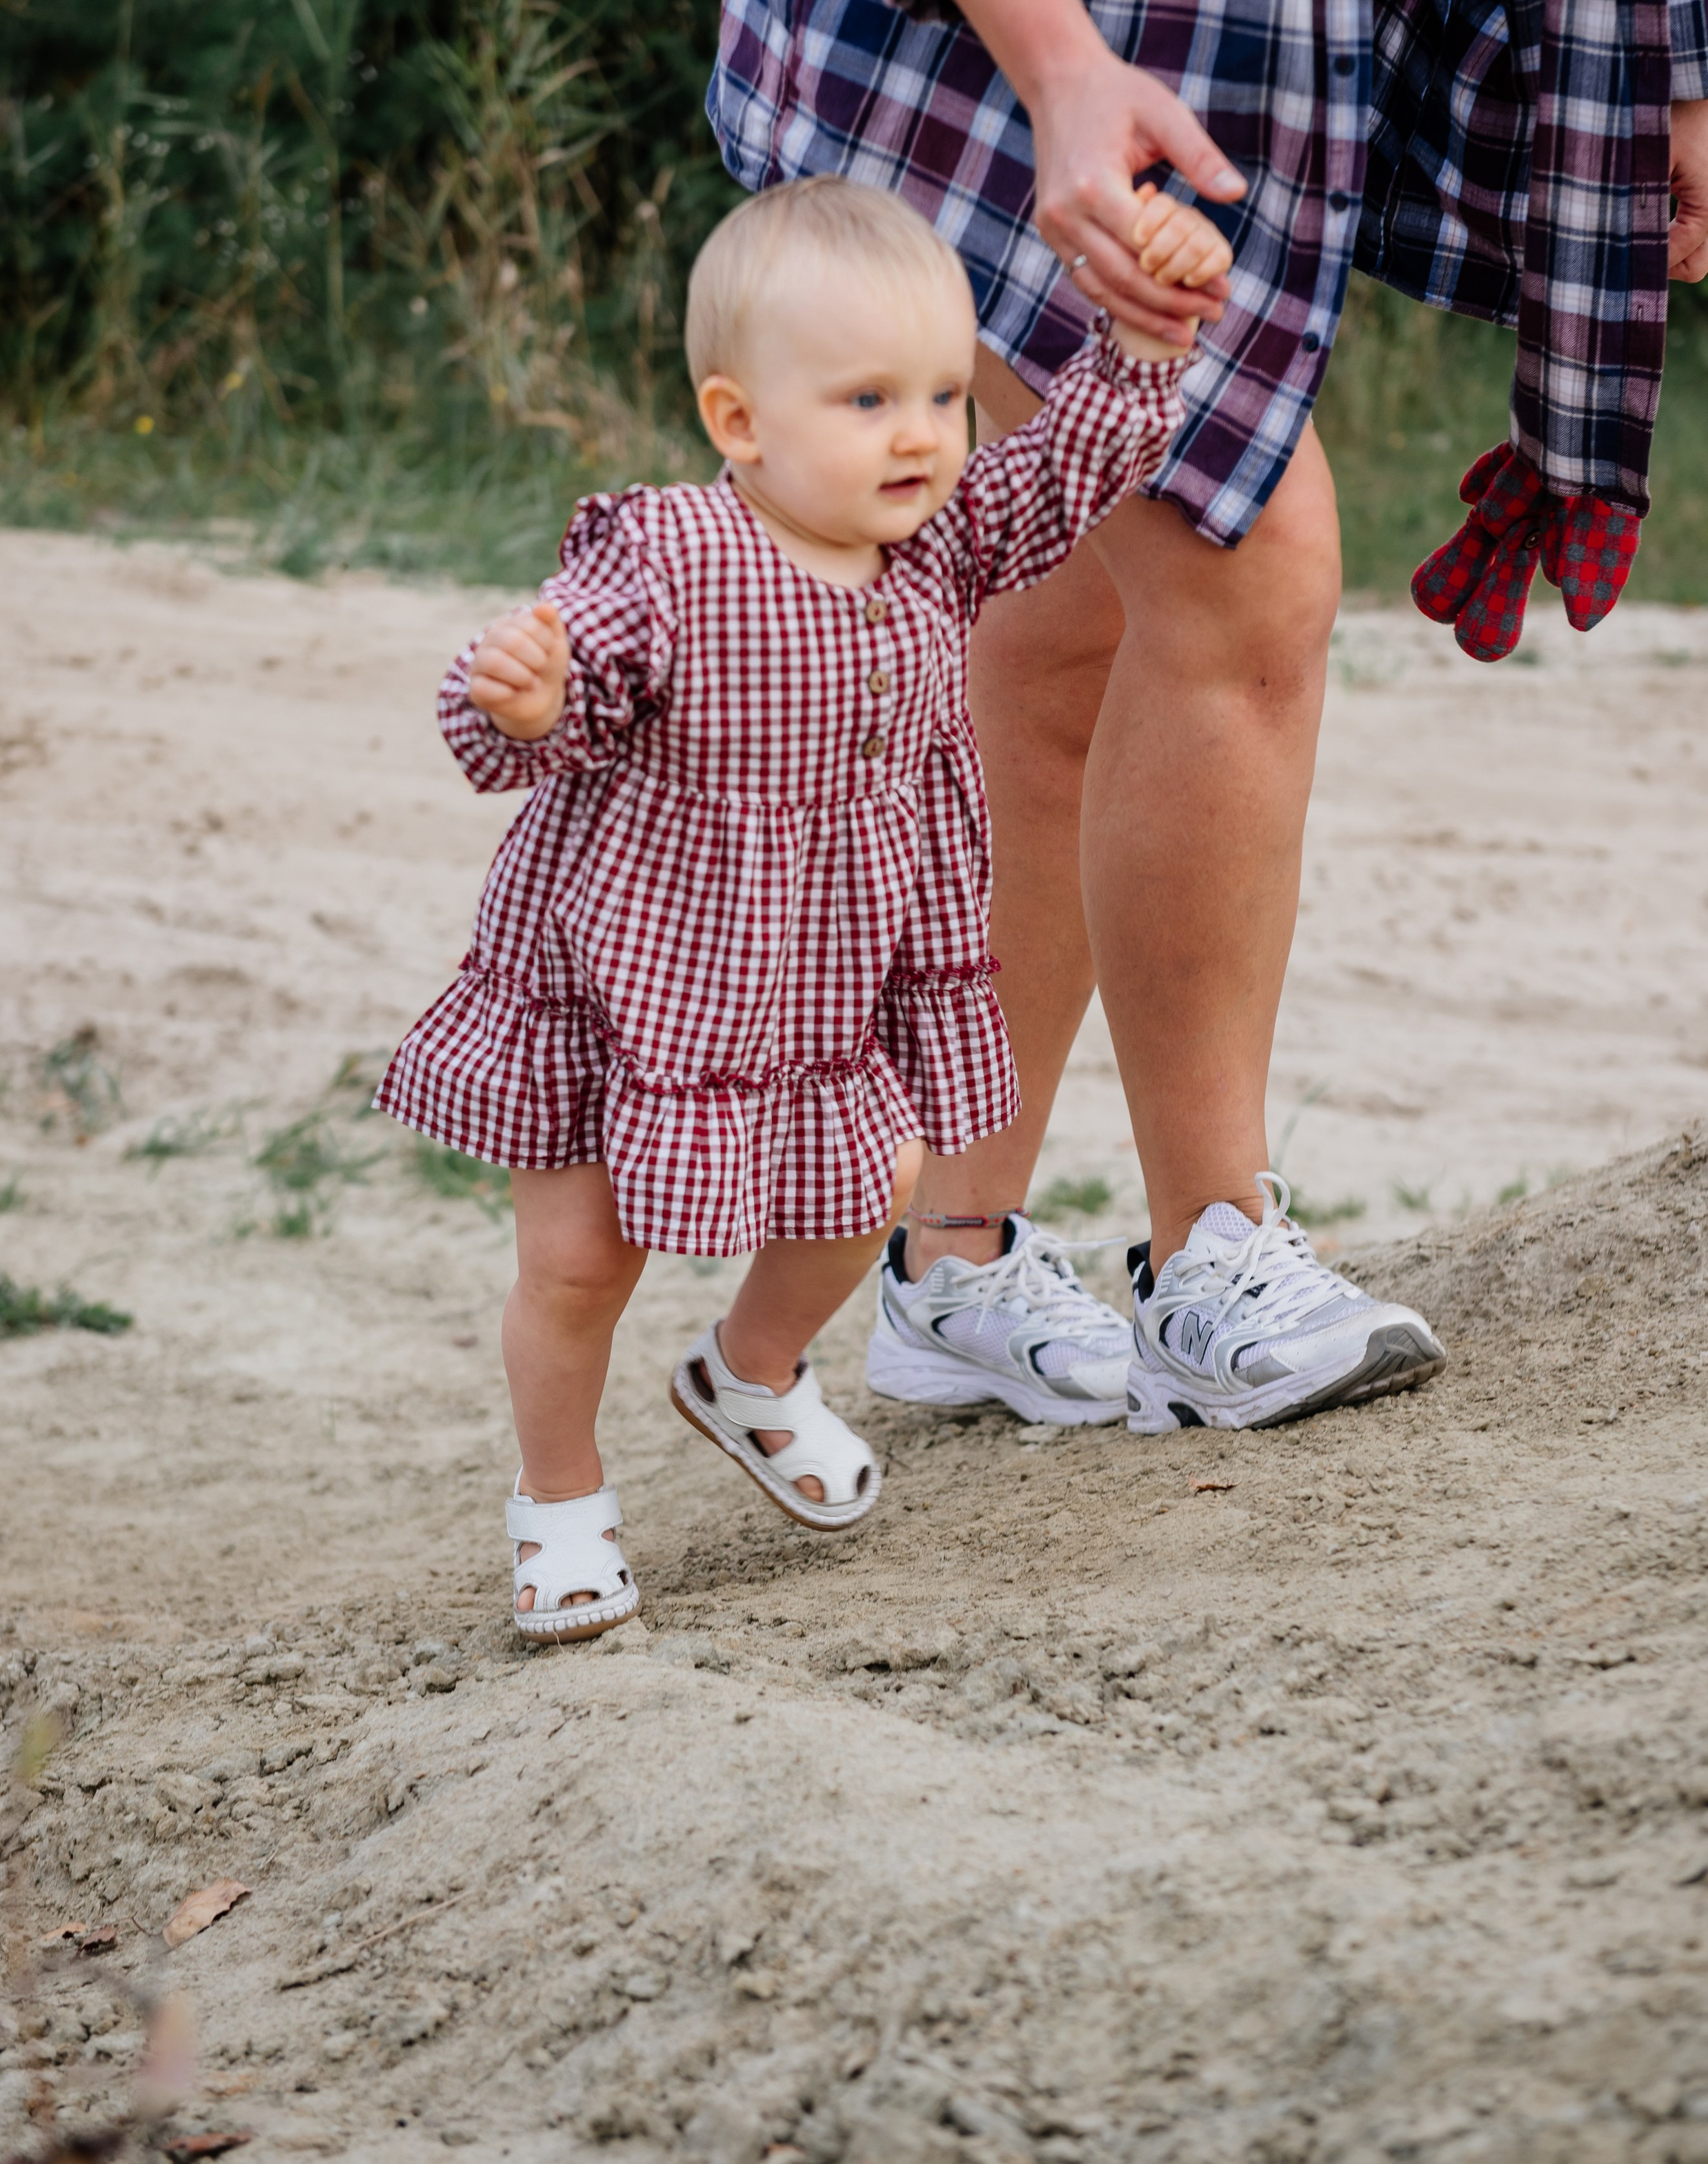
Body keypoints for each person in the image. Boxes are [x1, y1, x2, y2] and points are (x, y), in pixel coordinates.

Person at [711, 0, 1708, 1433]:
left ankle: (951, 1258)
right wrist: (1060, 74)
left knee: (1065, 630)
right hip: (959, 6)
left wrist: (1690, 66)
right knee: (1243, 557)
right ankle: (1212, 1247)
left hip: (1243, 5)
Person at [377, 174, 1325, 1637]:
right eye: (869, 399)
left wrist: (1146, 337)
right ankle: (559, 1499)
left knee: (875, 1187)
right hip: (627, 977)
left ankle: (749, 1371)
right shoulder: (667, 561)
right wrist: (523, 694)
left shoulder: (942, 547)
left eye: (943, 396)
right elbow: (547, 702)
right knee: (577, 1263)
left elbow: (1065, 464)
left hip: (817, 980)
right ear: (739, 421)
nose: (921, 434)